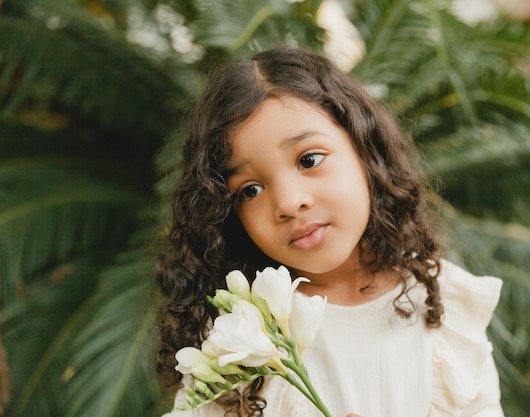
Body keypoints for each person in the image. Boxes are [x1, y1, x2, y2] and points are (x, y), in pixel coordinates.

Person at [156, 47, 504, 417]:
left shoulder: (444, 306)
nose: (289, 202)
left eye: (309, 160)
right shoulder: (238, 345)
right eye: (250, 190)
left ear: (364, 149)